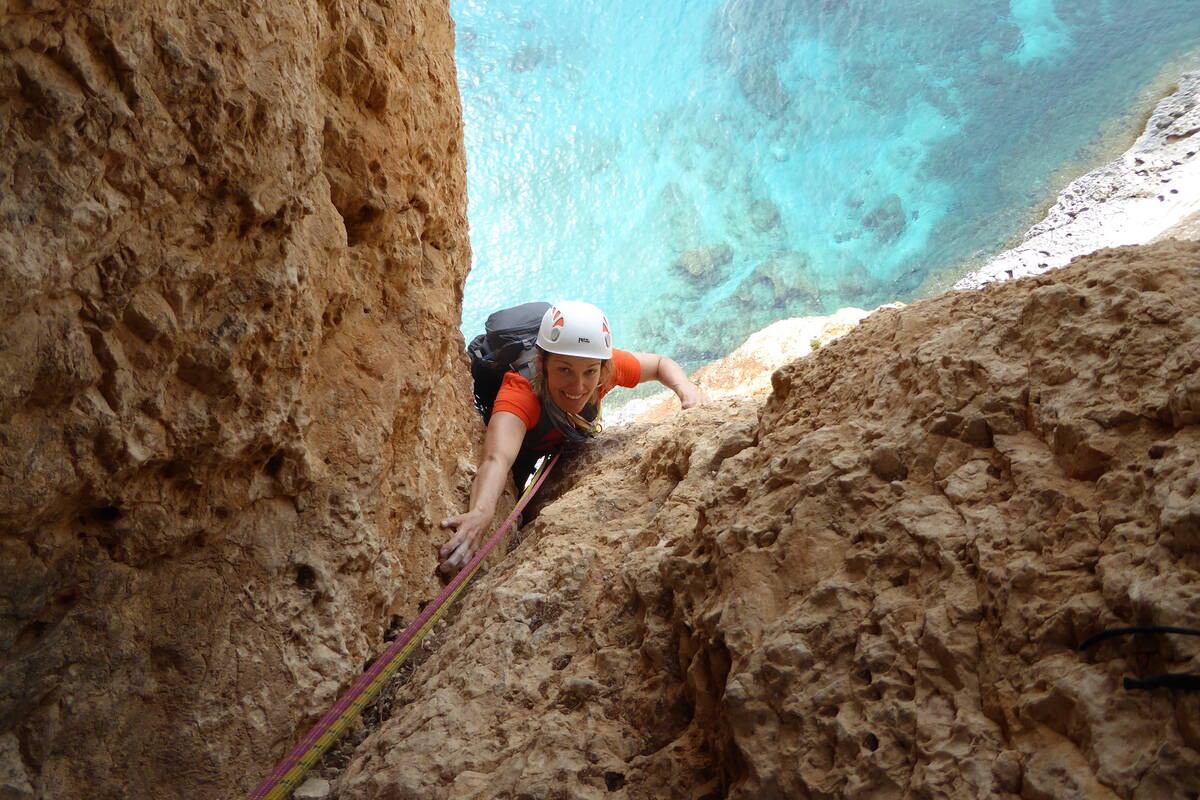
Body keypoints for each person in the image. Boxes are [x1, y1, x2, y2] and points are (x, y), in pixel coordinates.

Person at [438, 300, 707, 576]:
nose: (578, 387)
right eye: (564, 370)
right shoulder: (520, 392)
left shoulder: (606, 370)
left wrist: (687, 391)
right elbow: (497, 458)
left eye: (589, 372)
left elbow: (661, 364)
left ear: (603, 367)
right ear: (542, 363)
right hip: (527, 447)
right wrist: (482, 512)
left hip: (561, 434)